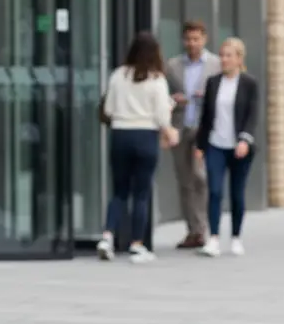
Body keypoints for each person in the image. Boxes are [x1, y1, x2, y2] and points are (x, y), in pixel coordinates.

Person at [97, 31, 178, 263]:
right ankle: (137, 244)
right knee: (141, 193)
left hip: (120, 134)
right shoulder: (157, 79)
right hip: (145, 136)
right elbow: (162, 115)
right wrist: (169, 128)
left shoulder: (118, 75)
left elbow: (109, 110)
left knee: (119, 191)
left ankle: (107, 237)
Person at [193, 37, 260, 257]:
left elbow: (252, 116)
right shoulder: (213, 83)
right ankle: (213, 239)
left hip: (239, 147)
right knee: (214, 191)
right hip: (215, 145)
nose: (223, 59)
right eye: (221, 55)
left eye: (228, 55)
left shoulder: (249, 83)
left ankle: (236, 237)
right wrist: (200, 145)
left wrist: (244, 139)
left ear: (239, 58)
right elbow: (205, 117)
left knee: (237, 193)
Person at [164, 20, 221, 249]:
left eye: (196, 39)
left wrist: (206, 96)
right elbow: (163, 97)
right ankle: (192, 230)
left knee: (200, 178)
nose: (192, 43)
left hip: (203, 128)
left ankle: (202, 228)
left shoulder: (216, 64)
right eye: (188, 39)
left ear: (204, 39)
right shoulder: (173, 66)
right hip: (180, 127)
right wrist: (174, 100)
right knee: (184, 180)